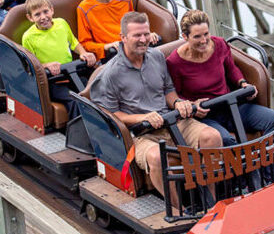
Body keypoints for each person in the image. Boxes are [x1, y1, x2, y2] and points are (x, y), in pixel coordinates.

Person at [90, 11, 222, 203]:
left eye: (146, 34)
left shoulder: (157, 57)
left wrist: (178, 103)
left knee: (212, 137)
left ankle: (211, 201)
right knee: (157, 157)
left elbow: (168, 90)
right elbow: (110, 113)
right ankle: (176, 209)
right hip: (142, 134)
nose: (143, 39)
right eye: (137, 35)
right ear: (123, 38)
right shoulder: (110, 74)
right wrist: (142, 117)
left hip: (171, 122)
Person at [166, 9, 274, 149]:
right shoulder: (175, 62)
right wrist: (193, 105)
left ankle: (270, 170)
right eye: (197, 37)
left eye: (206, 34)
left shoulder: (220, 44)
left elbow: (232, 69)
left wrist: (243, 83)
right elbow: (176, 94)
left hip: (231, 106)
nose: (204, 41)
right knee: (227, 142)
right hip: (207, 117)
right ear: (185, 37)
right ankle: (245, 170)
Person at [22, 0, 96, 120]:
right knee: (74, 100)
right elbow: (30, 64)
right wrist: (46, 66)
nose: (43, 17)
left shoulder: (61, 23)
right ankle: (79, 133)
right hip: (52, 81)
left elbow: (74, 43)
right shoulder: (28, 37)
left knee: (93, 92)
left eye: (46, 12)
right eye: (37, 14)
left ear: (52, 10)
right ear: (30, 18)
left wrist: (83, 53)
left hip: (71, 73)